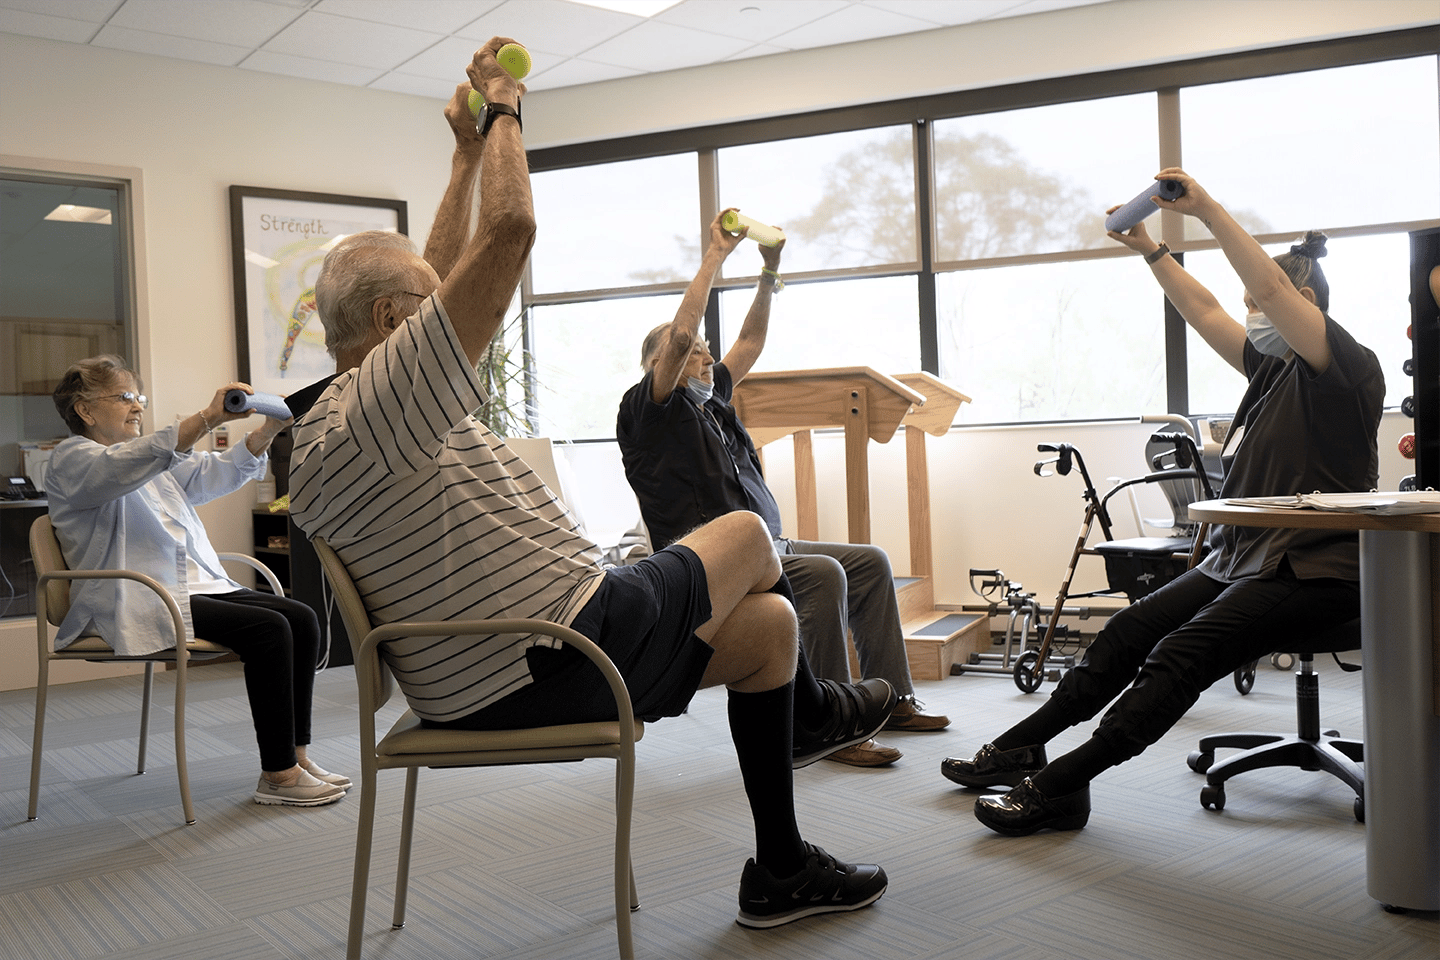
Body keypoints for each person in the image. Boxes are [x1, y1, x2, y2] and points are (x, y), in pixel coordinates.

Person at [288, 39, 892, 928]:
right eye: (427, 304)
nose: (448, 309)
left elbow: (442, 268)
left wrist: (460, 157)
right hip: (547, 650)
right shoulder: (378, 411)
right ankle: (814, 721)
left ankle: (781, 868)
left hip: (514, 659)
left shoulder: (342, 419)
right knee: (746, 538)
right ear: (390, 323)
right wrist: (504, 107)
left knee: (768, 627)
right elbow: (509, 235)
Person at [941, 168, 1384, 836]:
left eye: (1264, 305)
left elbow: (1265, 283)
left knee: (1179, 654)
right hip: (1242, 559)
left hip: (1314, 571)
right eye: (1251, 308)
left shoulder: (1346, 368)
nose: (1252, 314)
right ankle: (1023, 744)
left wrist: (1205, 210)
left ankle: (1063, 785)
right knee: (1126, 633)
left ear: (1306, 301)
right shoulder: (1270, 371)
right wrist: (1150, 248)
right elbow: (1203, 310)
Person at [616, 220, 949, 768]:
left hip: (770, 547)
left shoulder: (711, 399)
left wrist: (769, 273)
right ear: (660, 365)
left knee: (869, 562)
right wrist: (715, 256)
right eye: (696, 351)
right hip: (719, 566)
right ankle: (827, 724)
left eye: (705, 350)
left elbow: (750, 342)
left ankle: (893, 698)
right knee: (825, 575)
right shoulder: (647, 411)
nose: (706, 355)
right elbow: (678, 336)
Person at [46, 355, 349, 808]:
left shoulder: (147, 458)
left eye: (139, 397)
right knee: (268, 632)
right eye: (125, 397)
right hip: (136, 595)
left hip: (187, 588)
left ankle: (296, 756)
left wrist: (267, 430)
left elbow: (212, 473)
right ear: (85, 411)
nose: (137, 407)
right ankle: (278, 775)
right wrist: (208, 417)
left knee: (301, 617)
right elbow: (127, 463)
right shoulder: (71, 459)